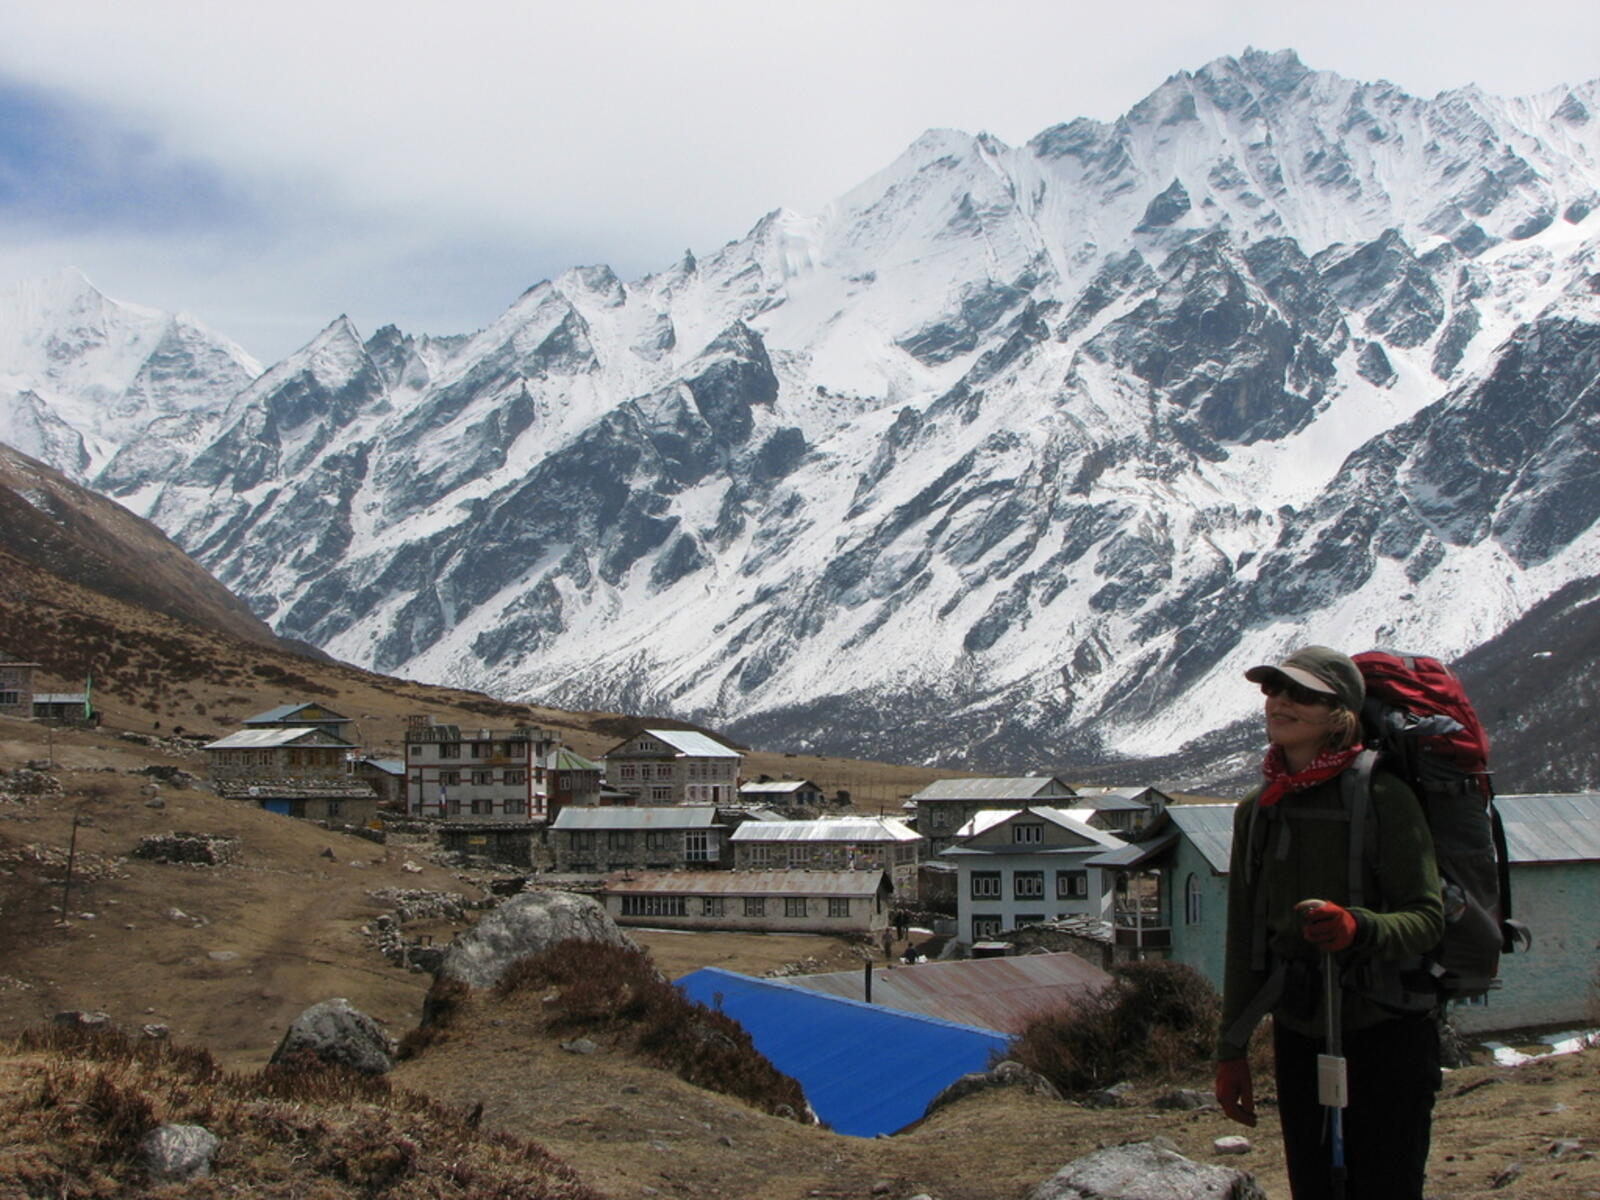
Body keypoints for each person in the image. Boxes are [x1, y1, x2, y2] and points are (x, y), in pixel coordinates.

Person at [1213, 646, 1445, 1200]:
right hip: (1301, 1029)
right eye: (1274, 689)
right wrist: (1232, 1050)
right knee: (1314, 1188)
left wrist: (1358, 929)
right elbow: (1247, 936)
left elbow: (1427, 917)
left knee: (1384, 1186)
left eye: (1302, 694)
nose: (1280, 701)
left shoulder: (1385, 797)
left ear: (1339, 713)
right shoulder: (1258, 809)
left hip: (1388, 1029)